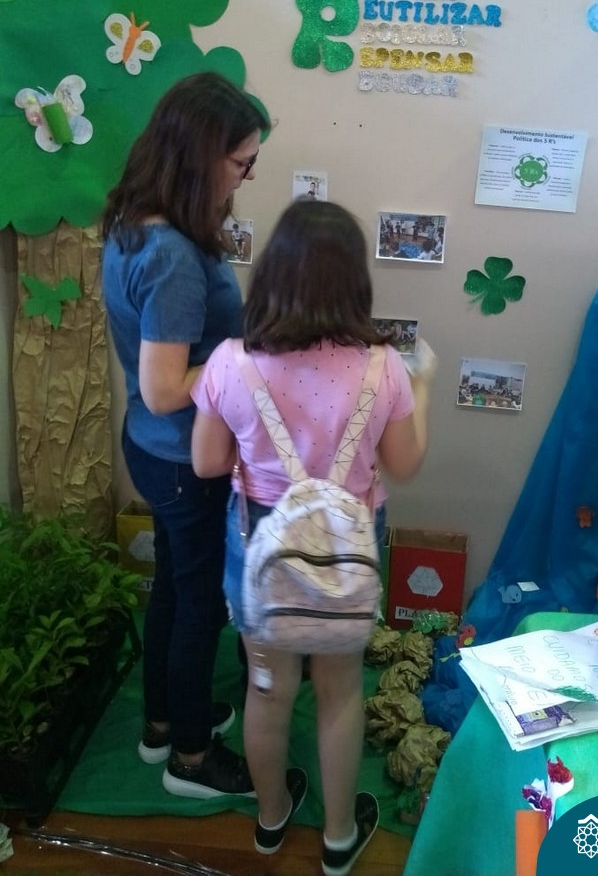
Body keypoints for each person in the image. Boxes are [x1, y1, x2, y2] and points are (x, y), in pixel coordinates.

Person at [190, 199, 435, 875]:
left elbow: (206, 463)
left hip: (260, 541)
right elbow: (405, 464)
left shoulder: (232, 362)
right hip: (346, 549)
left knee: (268, 688)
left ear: (274, 272)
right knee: (340, 690)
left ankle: (271, 820)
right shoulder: (383, 368)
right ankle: (337, 838)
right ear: (354, 280)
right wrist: (424, 390)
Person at [101, 71, 269, 798]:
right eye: (241, 163)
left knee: (173, 586)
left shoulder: (136, 219)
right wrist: (249, 360)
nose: (246, 177)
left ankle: (164, 721)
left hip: (151, 444)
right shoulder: (171, 254)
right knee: (200, 601)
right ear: (201, 158)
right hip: (180, 453)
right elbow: (166, 386)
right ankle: (192, 760)